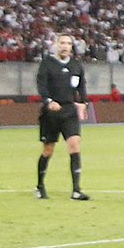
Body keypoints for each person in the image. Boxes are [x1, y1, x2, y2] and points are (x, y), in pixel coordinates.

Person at [35, 32, 88, 200]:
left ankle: (76, 190)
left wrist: (83, 103)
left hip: (69, 111)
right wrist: (48, 101)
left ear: (72, 47)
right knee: (48, 150)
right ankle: (40, 186)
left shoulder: (76, 66)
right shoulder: (47, 63)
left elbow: (81, 87)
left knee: (74, 145)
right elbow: (41, 84)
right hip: (51, 112)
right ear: (56, 45)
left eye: (68, 43)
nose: (65, 46)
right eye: (62, 43)